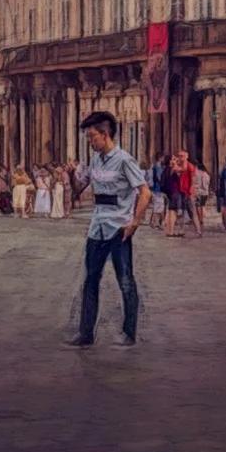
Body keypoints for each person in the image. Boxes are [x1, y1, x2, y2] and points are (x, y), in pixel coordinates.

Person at [66, 111, 150, 348]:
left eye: (92, 137)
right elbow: (79, 190)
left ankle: (129, 332)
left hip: (119, 228)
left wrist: (135, 222)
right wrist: (73, 175)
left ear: (105, 135)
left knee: (125, 280)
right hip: (97, 226)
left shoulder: (125, 160)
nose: (90, 141)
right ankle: (85, 334)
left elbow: (145, 192)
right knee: (91, 279)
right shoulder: (95, 161)